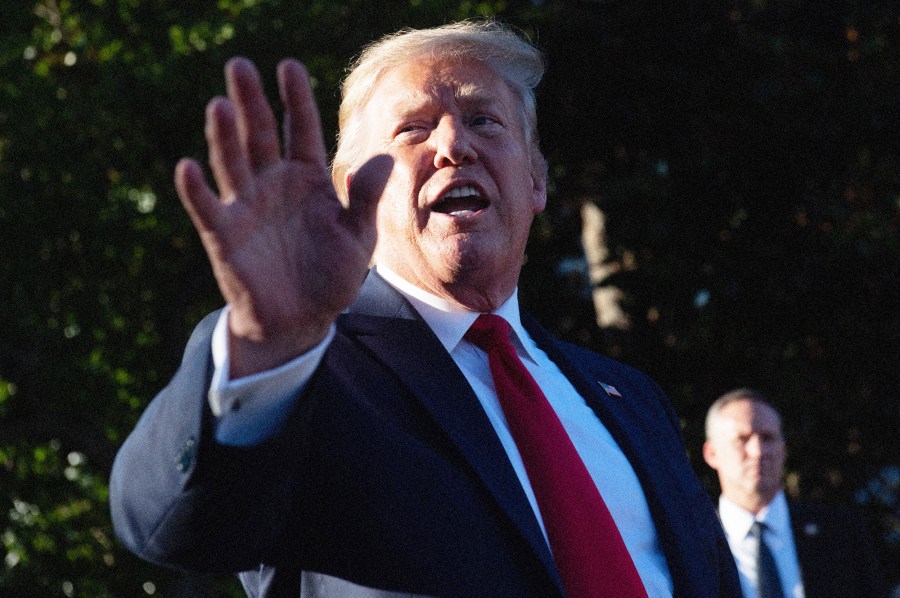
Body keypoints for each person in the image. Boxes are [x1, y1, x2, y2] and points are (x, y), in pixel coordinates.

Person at [110, 20, 740, 597]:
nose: (452, 146)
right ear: (349, 192)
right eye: (413, 128)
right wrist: (269, 341)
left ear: (537, 179)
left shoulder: (632, 400)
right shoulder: (303, 373)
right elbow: (170, 526)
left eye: (484, 121)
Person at [703, 387, 889, 598]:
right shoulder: (693, 545)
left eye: (768, 438)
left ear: (783, 449)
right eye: (742, 439)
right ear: (712, 453)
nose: (758, 452)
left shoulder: (841, 533)